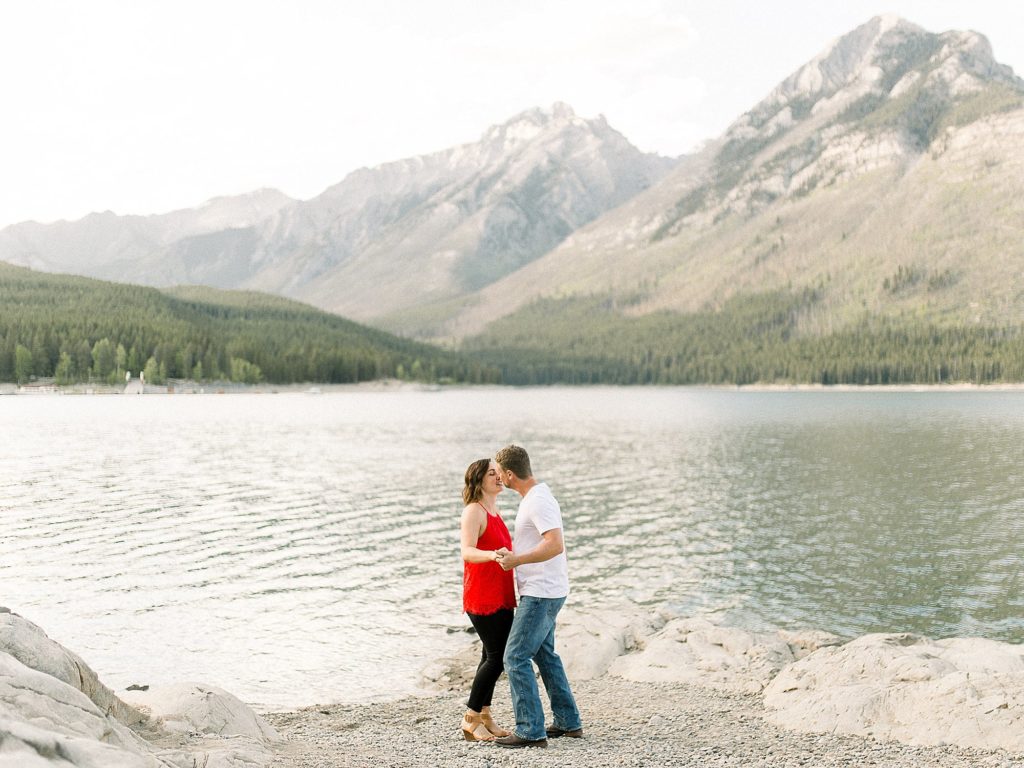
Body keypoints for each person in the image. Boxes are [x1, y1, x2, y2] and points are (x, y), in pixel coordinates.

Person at [492, 444, 583, 749]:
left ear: (508, 473)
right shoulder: (535, 497)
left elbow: (555, 544)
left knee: (515, 657)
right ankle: (569, 723)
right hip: (548, 589)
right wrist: (514, 555)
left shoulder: (537, 501)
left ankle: (530, 730)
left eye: (499, 473)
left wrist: (517, 561)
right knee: (546, 655)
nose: (499, 479)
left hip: (541, 593)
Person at [459, 458, 516, 742]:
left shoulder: (494, 510)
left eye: (498, 472)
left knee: (490, 655)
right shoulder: (474, 511)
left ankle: (485, 715)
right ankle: (470, 718)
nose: (499, 477)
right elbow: (467, 552)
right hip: (483, 595)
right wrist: (493, 555)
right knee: (497, 658)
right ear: (479, 480)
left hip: (501, 592)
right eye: (491, 473)